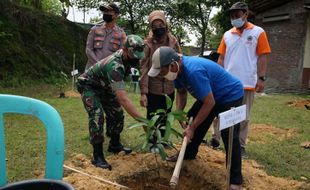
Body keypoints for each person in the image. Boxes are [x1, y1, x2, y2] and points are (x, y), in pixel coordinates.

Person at [148, 46, 244, 190]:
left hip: (230, 95)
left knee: (229, 135)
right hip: (211, 94)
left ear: (173, 64)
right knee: (192, 118)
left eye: (163, 71)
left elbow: (209, 102)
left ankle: (235, 180)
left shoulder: (193, 71)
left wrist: (192, 128)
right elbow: (181, 93)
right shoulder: (176, 72)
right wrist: (180, 112)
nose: (162, 75)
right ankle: (188, 154)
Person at [211, 1, 271, 157]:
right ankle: (215, 139)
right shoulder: (227, 35)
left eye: (237, 15)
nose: (234, 18)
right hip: (226, 83)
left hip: (247, 83)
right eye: (232, 15)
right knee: (220, 113)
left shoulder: (258, 32)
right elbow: (222, 58)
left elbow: (263, 56)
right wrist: (217, 77)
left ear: (246, 14)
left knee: (243, 116)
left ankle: (241, 145)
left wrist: (262, 78)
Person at [76, 35, 145, 170]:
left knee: (117, 113)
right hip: (89, 86)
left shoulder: (128, 59)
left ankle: (114, 144)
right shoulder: (115, 66)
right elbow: (123, 98)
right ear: (125, 50)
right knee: (97, 116)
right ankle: (98, 156)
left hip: (105, 86)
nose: (135, 59)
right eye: (133, 55)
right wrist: (143, 121)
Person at [139, 10, 182, 138]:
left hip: (169, 87)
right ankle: (153, 142)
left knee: (166, 116)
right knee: (153, 116)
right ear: (151, 27)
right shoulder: (148, 44)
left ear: (165, 24)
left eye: (161, 25)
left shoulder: (173, 41)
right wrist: (143, 93)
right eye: (155, 26)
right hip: (154, 88)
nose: (159, 28)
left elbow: (180, 60)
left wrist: (180, 85)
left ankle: (163, 141)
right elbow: (144, 68)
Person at [85, 3, 126, 71]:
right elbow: (88, 50)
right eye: (105, 11)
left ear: (115, 15)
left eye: (108, 11)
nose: (105, 13)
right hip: (92, 70)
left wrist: (108, 66)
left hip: (109, 71)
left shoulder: (121, 34)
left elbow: (121, 54)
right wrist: (98, 64)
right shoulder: (94, 29)